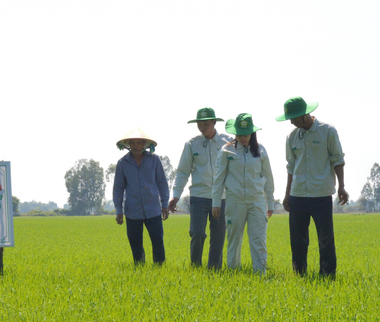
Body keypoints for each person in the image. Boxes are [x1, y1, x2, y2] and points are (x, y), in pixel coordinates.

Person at [276, 96, 348, 277]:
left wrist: (341, 186)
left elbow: (337, 159)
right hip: (298, 194)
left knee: (325, 239)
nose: (291, 122)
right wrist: (287, 194)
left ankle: (327, 276)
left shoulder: (327, 131)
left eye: (293, 118)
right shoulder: (292, 137)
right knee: (297, 240)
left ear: (304, 114)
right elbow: (291, 166)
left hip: (321, 194)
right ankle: (299, 275)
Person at [169, 108, 232, 269]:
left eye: (206, 124)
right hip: (198, 196)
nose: (202, 127)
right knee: (196, 233)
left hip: (222, 197)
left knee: (218, 236)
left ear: (214, 123)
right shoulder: (192, 144)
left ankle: (214, 269)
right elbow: (183, 171)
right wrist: (175, 195)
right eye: (199, 124)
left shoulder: (228, 142)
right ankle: (195, 266)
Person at [211, 113, 275, 274]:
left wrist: (271, 203)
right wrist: (216, 203)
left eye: (246, 134)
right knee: (234, 239)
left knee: (258, 240)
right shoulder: (227, 150)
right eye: (239, 134)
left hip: (257, 201)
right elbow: (219, 179)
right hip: (235, 202)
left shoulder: (260, 150)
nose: (243, 138)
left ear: (252, 133)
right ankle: (233, 272)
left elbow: (268, 177)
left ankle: (261, 273)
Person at [113, 127, 170, 265]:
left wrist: (165, 205)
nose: (136, 146)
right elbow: (118, 188)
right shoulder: (122, 163)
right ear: (128, 145)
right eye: (133, 143)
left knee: (157, 240)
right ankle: (139, 269)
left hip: (153, 209)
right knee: (135, 243)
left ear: (144, 144)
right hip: (133, 210)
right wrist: (119, 210)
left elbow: (162, 183)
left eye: (139, 143)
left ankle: (160, 267)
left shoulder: (154, 160)